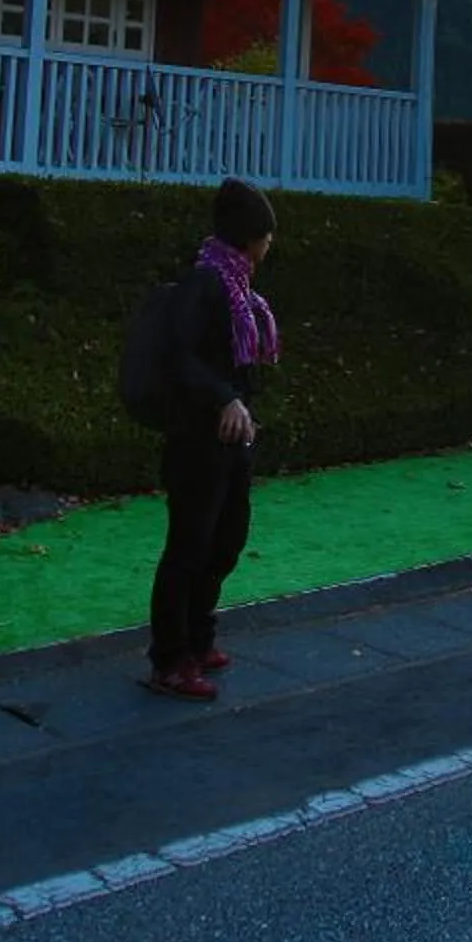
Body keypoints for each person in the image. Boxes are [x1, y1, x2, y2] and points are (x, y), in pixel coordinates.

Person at [143, 176, 279, 701]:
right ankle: (170, 658)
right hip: (196, 438)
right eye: (266, 234)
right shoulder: (205, 284)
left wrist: (241, 403)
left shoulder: (240, 287)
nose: (270, 244)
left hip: (231, 438)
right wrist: (224, 397)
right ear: (249, 236)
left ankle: (199, 638)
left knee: (226, 538)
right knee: (188, 546)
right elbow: (179, 358)